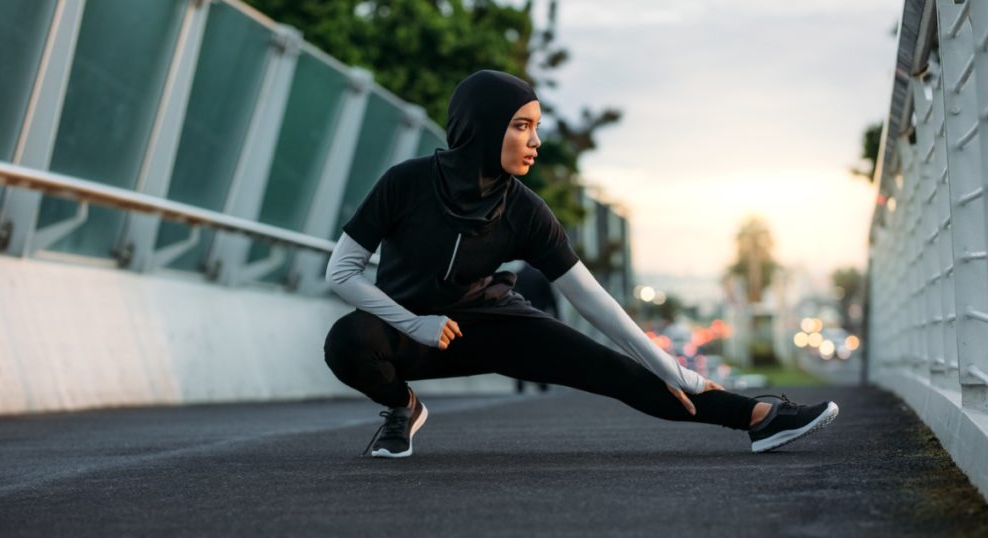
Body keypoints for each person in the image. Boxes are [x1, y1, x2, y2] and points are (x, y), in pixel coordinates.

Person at [323, 70, 838, 458]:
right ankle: (401, 407)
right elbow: (341, 270)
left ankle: (758, 417)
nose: (536, 142)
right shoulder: (405, 183)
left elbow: (593, 301)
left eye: (537, 127)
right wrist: (414, 323)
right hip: (407, 329)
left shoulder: (524, 210)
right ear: (482, 128)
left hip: (492, 322)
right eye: (521, 126)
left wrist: (671, 367)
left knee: (616, 371)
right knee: (347, 343)